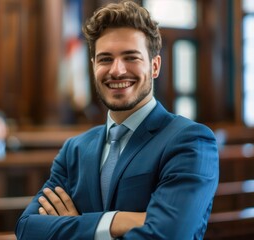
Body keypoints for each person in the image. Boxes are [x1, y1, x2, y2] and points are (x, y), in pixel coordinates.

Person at [15, 1, 219, 239]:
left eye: (130, 57)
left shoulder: (190, 141)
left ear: (155, 66)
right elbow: (27, 228)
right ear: (93, 67)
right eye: (105, 59)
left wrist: (79, 226)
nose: (117, 70)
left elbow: (167, 234)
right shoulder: (75, 150)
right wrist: (117, 220)